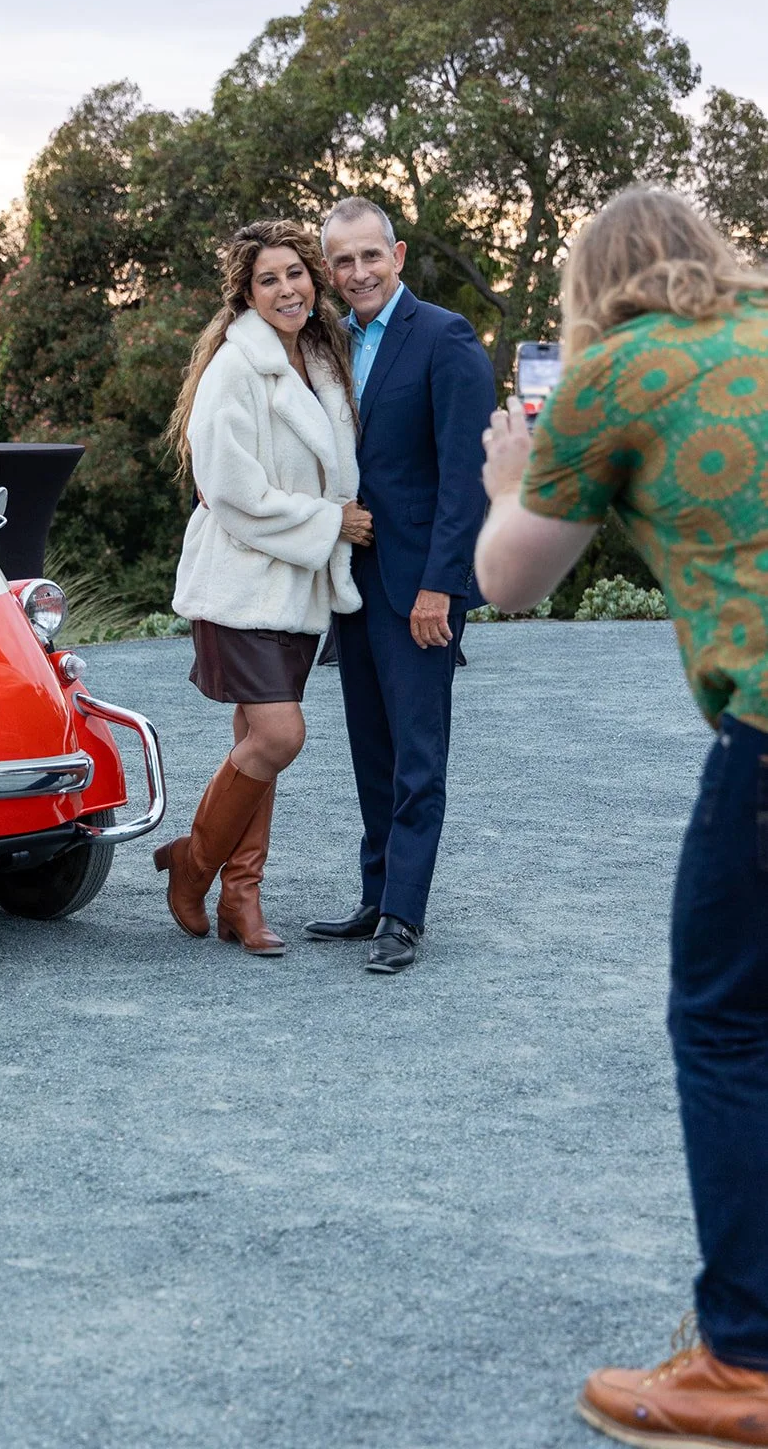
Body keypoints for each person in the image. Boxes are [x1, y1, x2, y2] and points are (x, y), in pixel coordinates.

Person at [475, 186, 768, 1447]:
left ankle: (747, 1362)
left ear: (589, 289)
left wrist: (504, 476)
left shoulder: (615, 372)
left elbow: (510, 582)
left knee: (726, 1025)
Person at [155, 220, 372, 956]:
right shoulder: (235, 369)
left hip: (297, 589)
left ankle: (239, 900)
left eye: (295, 274)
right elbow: (230, 491)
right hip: (243, 581)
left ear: (314, 281)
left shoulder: (321, 357)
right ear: (245, 295)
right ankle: (191, 864)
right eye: (268, 279)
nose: (286, 289)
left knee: (257, 745)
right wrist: (329, 523)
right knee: (280, 735)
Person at [303, 198, 496, 974]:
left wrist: (439, 588)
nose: (357, 274)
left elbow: (466, 479)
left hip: (418, 588)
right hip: (352, 582)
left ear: (398, 255)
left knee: (418, 758)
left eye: (369, 257)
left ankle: (404, 918)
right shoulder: (326, 347)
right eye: (342, 262)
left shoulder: (445, 339)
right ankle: (374, 894)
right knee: (370, 751)